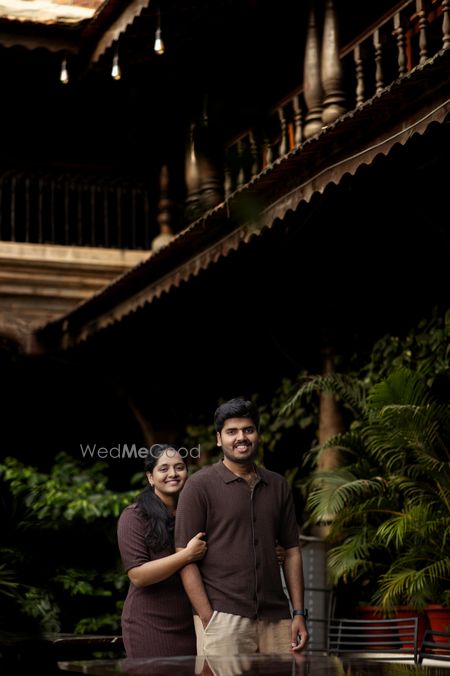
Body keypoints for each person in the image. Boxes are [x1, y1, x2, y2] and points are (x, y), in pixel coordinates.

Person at [174, 397, 309, 656]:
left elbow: (292, 551)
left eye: (248, 429)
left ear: (258, 434)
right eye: (232, 431)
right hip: (223, 619)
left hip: (277, 618)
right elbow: (184, 555)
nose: (241, 437)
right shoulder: (199, 486)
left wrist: (299, 613)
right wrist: (207, 617)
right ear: (218, 439)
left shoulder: (278, 485)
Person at [117, 444, 207, 657]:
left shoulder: (196, 514)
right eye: (164, 469)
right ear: (151, 477)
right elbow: (138, 575)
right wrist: (186, 555)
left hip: (191, 622)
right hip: (149, 624)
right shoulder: (134, 516)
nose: (173, 474)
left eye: (179, 467)